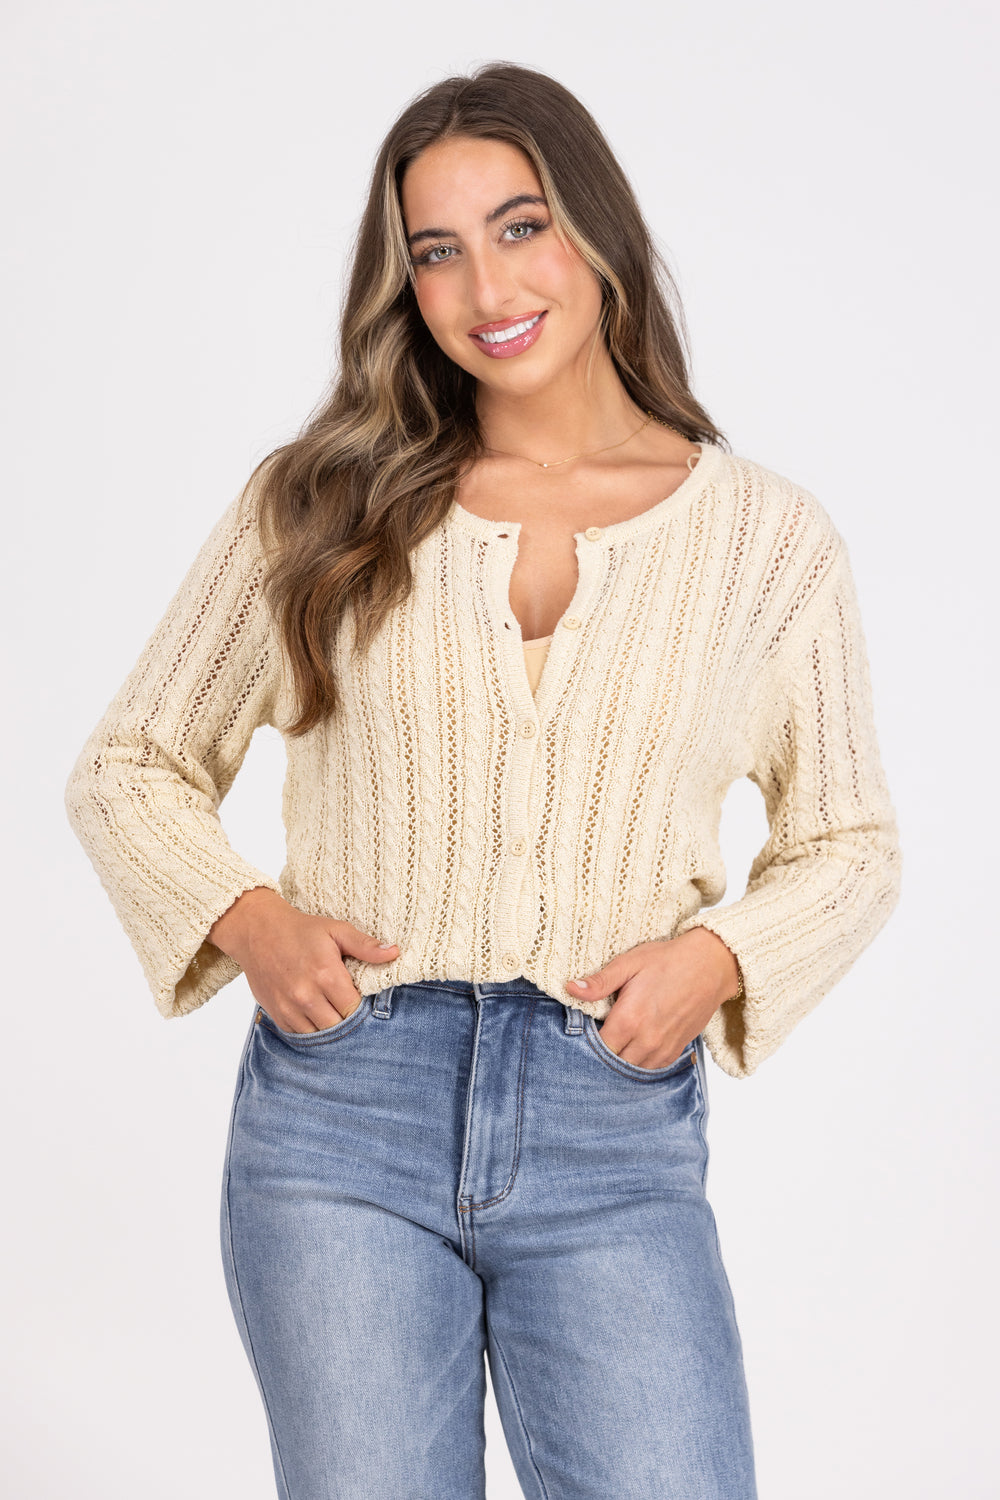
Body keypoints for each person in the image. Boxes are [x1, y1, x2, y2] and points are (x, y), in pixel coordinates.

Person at [64, 61, 902, 1500]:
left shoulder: (767, 542)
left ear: (598, 231)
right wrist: (250, 922)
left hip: (609, 1123)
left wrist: (715, 960)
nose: (485, 287)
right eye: (436, 250)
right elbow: (130, 764)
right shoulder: (321, 502)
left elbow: (850, 843)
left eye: (522, 227)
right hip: (344, 1115)